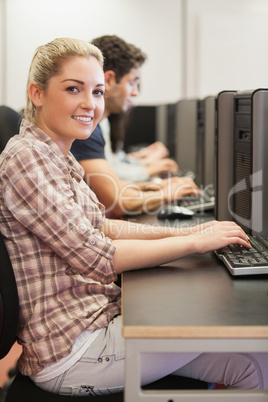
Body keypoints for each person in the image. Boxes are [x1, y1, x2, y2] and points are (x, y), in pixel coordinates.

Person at [0, 37, 267, 397]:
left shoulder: (54, 155)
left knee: (252, 365)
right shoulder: (27, 159)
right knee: (240, 341)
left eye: (96, 92)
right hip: (73, 349)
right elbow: (97, 256)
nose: (89, 104)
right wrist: (192, 242)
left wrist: (191, 231)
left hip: (93, 323)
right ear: (37, 93)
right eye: (73, 89)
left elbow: (103, 226)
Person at [70, 35, 195, 218]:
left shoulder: (94, 124)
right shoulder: (84, 127)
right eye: (132, 82)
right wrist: (164, 193)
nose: (135, 92)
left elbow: (116, 184)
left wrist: (156, 187)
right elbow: (116, 201)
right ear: (109, 80)